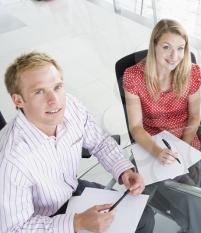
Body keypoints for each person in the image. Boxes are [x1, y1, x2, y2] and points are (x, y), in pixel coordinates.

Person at [0, 52, 155, 233]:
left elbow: (100, 142)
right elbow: (14, 229)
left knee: (143, 217)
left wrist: (123, 169)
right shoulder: (10, 161)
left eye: (57, 87)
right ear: (18, 100)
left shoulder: (70, 106)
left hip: (71, 191)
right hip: (39, 219)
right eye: (39, 91)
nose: (54, 100)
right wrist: (77, 223)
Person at [123, 19, 201, 233]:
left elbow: (194, 117)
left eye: (180, 48)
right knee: (186, 198)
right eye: (167, 47)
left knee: (187, 196)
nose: (174, 56)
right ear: (154, 45)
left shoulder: (192, 72)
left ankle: (194, 225)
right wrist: (158, 151)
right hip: (150, 145)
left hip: (185, 142)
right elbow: (135, 127)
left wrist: (182, 151)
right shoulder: (133, 76)